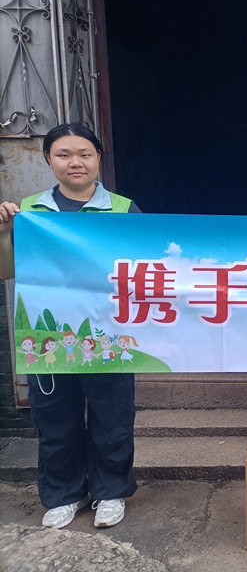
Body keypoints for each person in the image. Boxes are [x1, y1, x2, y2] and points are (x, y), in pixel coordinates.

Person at [0, 122, 142, 530]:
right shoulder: (29, 211)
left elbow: (144, 268)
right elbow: (7, 271)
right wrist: (5, 233)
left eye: (84, 154)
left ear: (98, 158)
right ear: (48, 159)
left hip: (109, 334)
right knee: (55, 419)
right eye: (63, 154)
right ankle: (65, 495)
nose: (75, 162)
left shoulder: (123, 209)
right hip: (46, 339)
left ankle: (110, 491)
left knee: (112, 418)